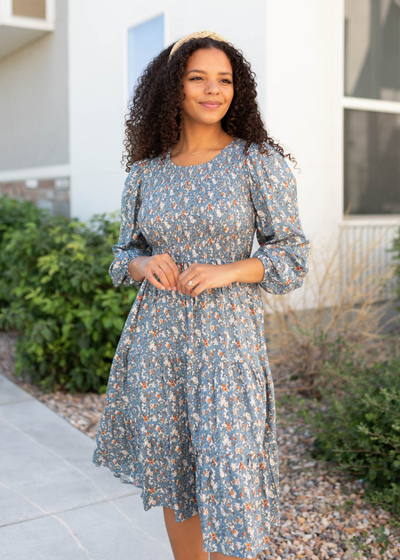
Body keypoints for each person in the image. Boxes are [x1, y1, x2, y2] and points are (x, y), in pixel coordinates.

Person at [92, 30, 310, 560]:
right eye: (198, 78)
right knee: (176, 472)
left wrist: (230, 270)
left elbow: (294, 255)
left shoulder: (256, 162)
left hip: (226, 347)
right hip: (157, 345)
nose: (214, 90)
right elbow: (122, 256)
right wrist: (143, 263)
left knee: (229, 475)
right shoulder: (145, 173)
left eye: (225, 80)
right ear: (174, 88)